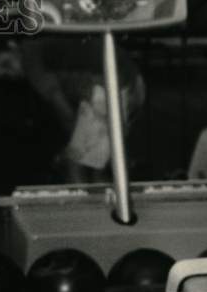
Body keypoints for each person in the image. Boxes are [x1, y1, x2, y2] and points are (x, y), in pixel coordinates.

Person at [19, 34, 146, 183]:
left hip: (109, 86)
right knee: (97, 165)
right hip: (130, 81)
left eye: (4, 64)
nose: (5, 73)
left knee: (75, 163)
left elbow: (64, 110)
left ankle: (85, 203)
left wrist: (72, 141)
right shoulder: (46, 41)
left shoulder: (30, 59)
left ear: (12, 47)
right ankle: (105, 201)